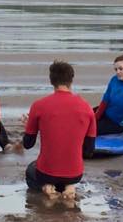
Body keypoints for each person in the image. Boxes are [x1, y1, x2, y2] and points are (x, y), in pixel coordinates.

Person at [22, 61, 96, 199]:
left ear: (51, 81)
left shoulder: (38, 106)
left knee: (31, 170)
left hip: (46, 172)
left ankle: (47, 187)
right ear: (71, 80)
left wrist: (29, 127)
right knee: (67, 173)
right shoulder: (87, 108)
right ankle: (69, 187)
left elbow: (27, 144)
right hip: (75, 174)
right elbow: (89, 151)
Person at [93, 54, 123, 137]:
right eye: (116, 69)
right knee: (84, 116)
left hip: (117, 123)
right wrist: (96, 117)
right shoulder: (114, 79)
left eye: (121, 69)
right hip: (106, 113)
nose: (117, 72)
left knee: (90, 129)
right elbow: (106, 100)